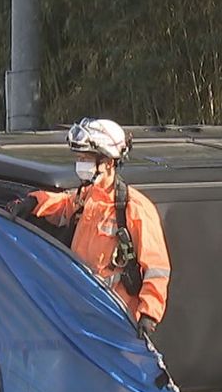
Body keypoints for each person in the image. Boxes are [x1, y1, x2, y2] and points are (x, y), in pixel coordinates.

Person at [10, 118, 171, 336]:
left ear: (108, 162)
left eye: (86, 158)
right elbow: (63, 205)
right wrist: (34, 202)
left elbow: (157, 268)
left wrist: (149, 315)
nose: (81, 164)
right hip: (80, 315)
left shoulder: (135, 208)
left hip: (116, 321)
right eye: (80, 158)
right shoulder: (87, 197)